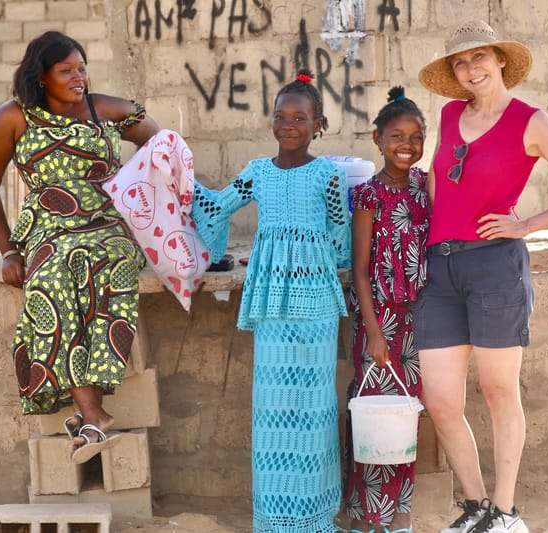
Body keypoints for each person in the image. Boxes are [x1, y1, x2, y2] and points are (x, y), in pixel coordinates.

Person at [415, 20, 548, 533]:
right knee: (441, 401)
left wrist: (525, 225)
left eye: (479, 57)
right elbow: (437, 184)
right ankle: (476, 506)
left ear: (500, 60)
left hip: (494, 266)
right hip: (440, 268)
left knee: (499, 390)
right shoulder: (449, 114)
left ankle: (506, 512)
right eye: (460, 62)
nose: (471, 69)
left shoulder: (530, 121)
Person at [0, 31, 160, 464]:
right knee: (51, 279)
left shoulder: (105, 109)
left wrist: (140, 193)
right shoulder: (12, 118)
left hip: (108, 226)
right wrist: (8, 251)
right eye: (66, 70)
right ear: (41, 76)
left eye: (82, 68)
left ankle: (91, 418)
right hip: (49, 229)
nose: (79, 77)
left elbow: (161, 145)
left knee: (114, 267)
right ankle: (94, 415)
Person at [192, 69, 352, 533]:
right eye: (281, 116)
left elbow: (340, 235)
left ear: (318, 125)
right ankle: (277, 518)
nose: (289, 125)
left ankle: (314, 516)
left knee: (315, 407)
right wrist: (174, 177)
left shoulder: (328, 176)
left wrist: (314, 262)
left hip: (317, 304)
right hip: (272, 305)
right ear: (272, 122)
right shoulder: (257, 174)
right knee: (273, 408)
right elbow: (215, 206)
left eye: (300, 118)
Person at [342, 86, 429, 533]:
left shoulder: (425, 187)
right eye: (397, 136)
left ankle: (402, 515)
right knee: (374, 414)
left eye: (416, 137)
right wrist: (374, 332)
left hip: (418, 319)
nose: (406, 145)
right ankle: (366, 516)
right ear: (378, 139)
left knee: (406, 416)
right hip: (378, 319)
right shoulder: (367, 195)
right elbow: (360, 270)